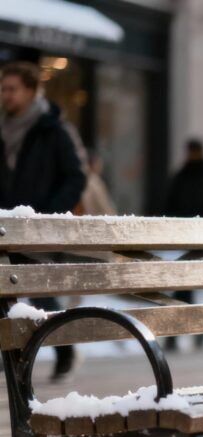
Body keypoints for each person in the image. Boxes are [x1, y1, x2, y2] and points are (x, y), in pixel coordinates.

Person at [0, 61, 86, 382]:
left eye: (11, 89)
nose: (4, 95)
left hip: (39, 227)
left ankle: (63, 348)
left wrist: (48, 216)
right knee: (14, 291)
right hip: (5, 227)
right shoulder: (2, 128)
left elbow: (76, 177)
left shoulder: (54, 130)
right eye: (2, 88)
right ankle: (14, 358)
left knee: (39, 293)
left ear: (32, 90)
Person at [163, 138, 203, 351]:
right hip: (187, 236)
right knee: (186, 287)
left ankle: (185, 333)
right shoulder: (183, 175)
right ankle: (189, 332)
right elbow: (170, 202)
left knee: (187, 288)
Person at [76, 148, 116, 216]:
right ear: (92, 164)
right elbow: (104, 205)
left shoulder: (82, 179)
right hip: (97, 219)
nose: (101, 166)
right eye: (98, 163)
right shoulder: (94, 181)